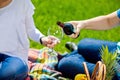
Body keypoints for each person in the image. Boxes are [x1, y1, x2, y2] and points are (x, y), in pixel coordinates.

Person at [0, 0, 59, 80]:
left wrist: (42, 38)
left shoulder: (22, 3)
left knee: (7, 73)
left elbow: (31, 30)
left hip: (15, 57)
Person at [57, 9, 120, 80]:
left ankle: (76, 55)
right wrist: (82, 24)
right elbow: (109, 21)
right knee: (83, 44)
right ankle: (82, 54)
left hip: (116, 72)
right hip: (117, 50)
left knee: (64, 63)